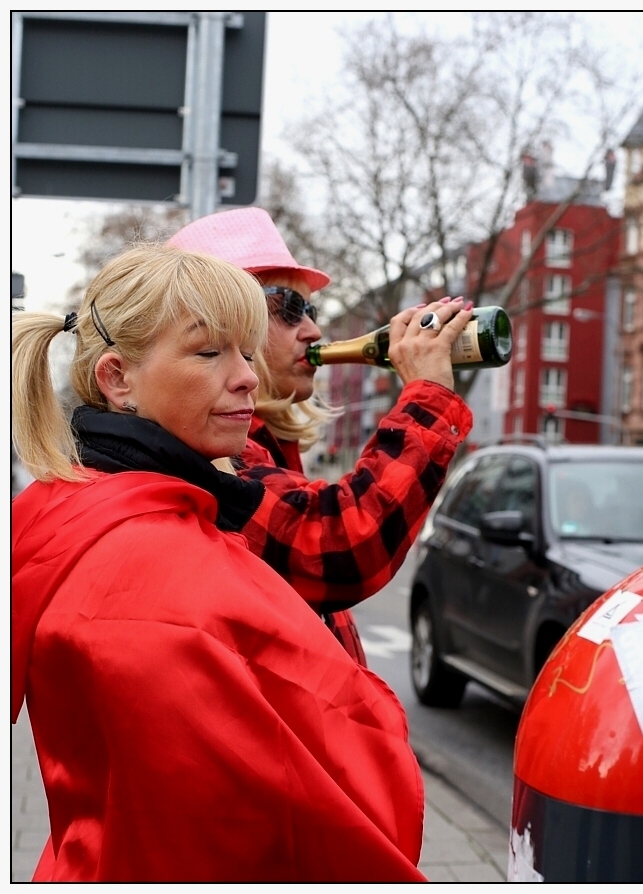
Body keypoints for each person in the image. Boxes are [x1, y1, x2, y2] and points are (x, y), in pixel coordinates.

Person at [11, 245, 426, 882]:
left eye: (245, 349)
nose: (248, 377)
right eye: (211, 352)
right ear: (118, 379)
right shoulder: (164, 567)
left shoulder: (80, 507)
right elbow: (311, 805)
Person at [167, 208, 474, 663]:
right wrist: (426, 397)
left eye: (310, 310)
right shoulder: (214, 454)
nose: (313, 330)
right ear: (222, 323)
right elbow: (341, 542)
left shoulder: (261, 443)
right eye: (291, 310)